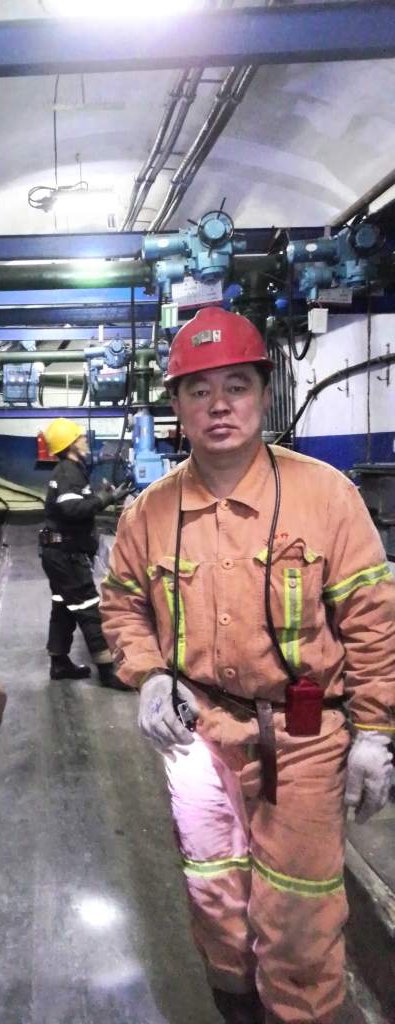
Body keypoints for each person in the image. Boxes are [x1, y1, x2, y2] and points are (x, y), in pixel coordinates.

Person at [100, 307, 395, 1024]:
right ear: (176, 406)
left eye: (236, 386)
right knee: (214, 890)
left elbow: (373, 623)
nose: (219, 405)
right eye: (199, 390)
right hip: (197, 735)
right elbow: (123, 605)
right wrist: (151, 673)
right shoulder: (149, 513)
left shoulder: (326, 497)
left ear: (265, 395)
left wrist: (375, 732)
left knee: (298, 913)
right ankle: (235, 1002)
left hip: (304, 737)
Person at [40, 417, 131, 691]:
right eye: (80, 439)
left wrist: (101, 494)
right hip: (66, 556)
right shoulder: (68, 472)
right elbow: (71, 509)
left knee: (64, 606)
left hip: (58, 553)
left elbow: (77, 503)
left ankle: (59, 663)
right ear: (70, 446)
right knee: (88, 607)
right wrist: (106, 499)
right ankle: (107, 670)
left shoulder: (71, 471)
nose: (84, 442)